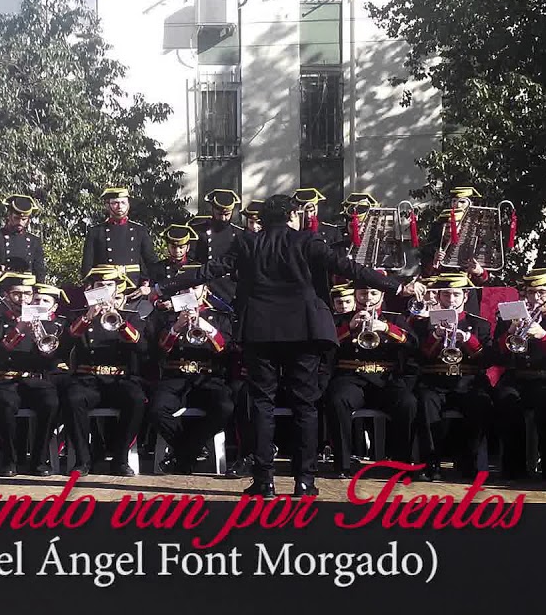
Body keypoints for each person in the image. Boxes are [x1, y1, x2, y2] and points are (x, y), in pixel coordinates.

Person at [163, 194, 423, 497]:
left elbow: (210, 270)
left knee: (262, 404)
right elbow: (349, 268)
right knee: (305, 405)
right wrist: (397, 286)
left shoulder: (249, 242)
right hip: (304, 330)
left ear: (266, 217)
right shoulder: (307, 241)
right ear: (291, 215)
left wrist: (164, 286)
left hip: (260, 331)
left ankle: (264, 481)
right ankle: (304, 481)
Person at [488, 269, 546, 480]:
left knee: (545, 404)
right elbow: (496, 354)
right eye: (530, 293)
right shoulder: (511, 316)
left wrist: (543, 335)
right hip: (519, 377)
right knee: (505, 400)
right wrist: (511, 331)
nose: (535, 298)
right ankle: (514, 468)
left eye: (541, 292)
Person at [61, 265, 149, 476]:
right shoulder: (78, 316)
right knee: (72, 399)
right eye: (99, 286)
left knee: (136, 399)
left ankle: (120, 458)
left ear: (117, 290)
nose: (104, 290)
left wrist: (119, 321)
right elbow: (62, 348)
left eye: (109, 285)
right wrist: (87, 318)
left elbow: (143, 348)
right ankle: (83, 460)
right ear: (91, 289)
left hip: (119, 379)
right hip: (87, 378)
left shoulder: (131, 316)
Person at [324, 281, 418, 477]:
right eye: (363, 294)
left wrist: (386, 328)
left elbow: (413, 345)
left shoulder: (395, 319)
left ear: (382, 296)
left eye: (373, 294)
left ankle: (401, 462)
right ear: (355, 294)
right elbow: (325, 346)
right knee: (337, 400)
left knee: (407, 403)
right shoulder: (340, 319)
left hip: (385, 379)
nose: (368, 299)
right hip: (352, 377)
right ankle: (342, 464)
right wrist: (349, 328)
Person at [409, 272, 493, 481]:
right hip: (434, 381)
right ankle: (431, 463)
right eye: (446, 295)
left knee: (480, 403)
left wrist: (468, 340)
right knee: (425, 402)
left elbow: (486, 360)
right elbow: (418, 358)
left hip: (467, 381)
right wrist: (435, 337)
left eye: (456, 295)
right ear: (439, 297)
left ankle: (469, 461)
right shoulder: (424, 323)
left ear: (465, 297)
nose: (451, 300)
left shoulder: (480, 324)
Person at [145, 283, 236, 475]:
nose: (189, 292)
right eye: (185, 289)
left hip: (207, 377)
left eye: (194, 288)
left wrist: (207, 328)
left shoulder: (219, 316)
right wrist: (176, 327)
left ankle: (183, 454)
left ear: (205, 291)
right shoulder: (165, 317)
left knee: (225, 407)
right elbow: (157, 352)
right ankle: (190, 451)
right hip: (175, 375)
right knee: (156, 408)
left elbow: (226, 352)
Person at [0, 273, 65, 476]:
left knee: (50, 402)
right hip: (5, 380)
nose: (23, 299)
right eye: (17, 294)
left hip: (35, 380)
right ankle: (9, 460)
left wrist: (39, 337)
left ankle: (39, 459)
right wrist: (18, 330)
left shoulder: (51, 326)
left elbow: (51, 361)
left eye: (27, 294)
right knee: (4, 403)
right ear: (6, 296)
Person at [80, 186, 162, 289]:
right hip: (104, 285)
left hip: (134, 286)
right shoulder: (95, 232)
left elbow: (151, 261)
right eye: (115, 203)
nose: (120, 207)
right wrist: (89, 284)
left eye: (123, 203)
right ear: (107, 205)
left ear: (128, 205)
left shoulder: (139, 230)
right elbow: (87, 265)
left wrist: (147, 283)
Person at [421, 186, 493, 284]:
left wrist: (479, 272)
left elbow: (483, 278)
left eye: (462, 201)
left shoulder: (477, 236)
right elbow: (426, 275)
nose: (458, 205)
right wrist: (435, 262)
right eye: (454, 201)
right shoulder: (434, 245)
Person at [0, 194, 48, 285]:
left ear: (28, 220)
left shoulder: (34, 241)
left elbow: (39, 271)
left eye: (23, 219)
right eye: (16, 218)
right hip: (0, 287)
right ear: (9, 216)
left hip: (26, 290)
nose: (20, 222)